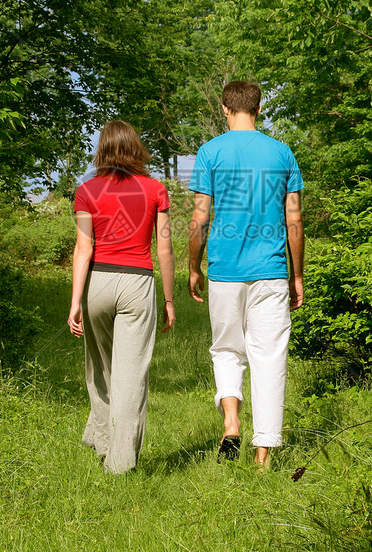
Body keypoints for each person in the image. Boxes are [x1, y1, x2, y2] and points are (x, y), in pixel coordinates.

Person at [188, 81, 304, 469]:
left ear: (224, 108)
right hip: (271, 271)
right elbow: (294, 219)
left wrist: (193, 266)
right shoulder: (282, 153)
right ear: (258, 108)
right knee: (269, 355)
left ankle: (232, 421)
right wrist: (297, 276)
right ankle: (264, 455)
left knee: (226, 349)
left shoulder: (210, 152)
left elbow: (200, 216)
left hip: (224, 270)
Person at [68, 120, 176, 474]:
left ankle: (102, 443)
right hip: (137, 284)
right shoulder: (155, 189)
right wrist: (170, 299)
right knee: (130, 376)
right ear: (135, 149)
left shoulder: (86, 190)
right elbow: (164, 248)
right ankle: (119, 463)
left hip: (97, 283)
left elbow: (84, 248)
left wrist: (75, 302)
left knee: (101, 370)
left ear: (102, 150)